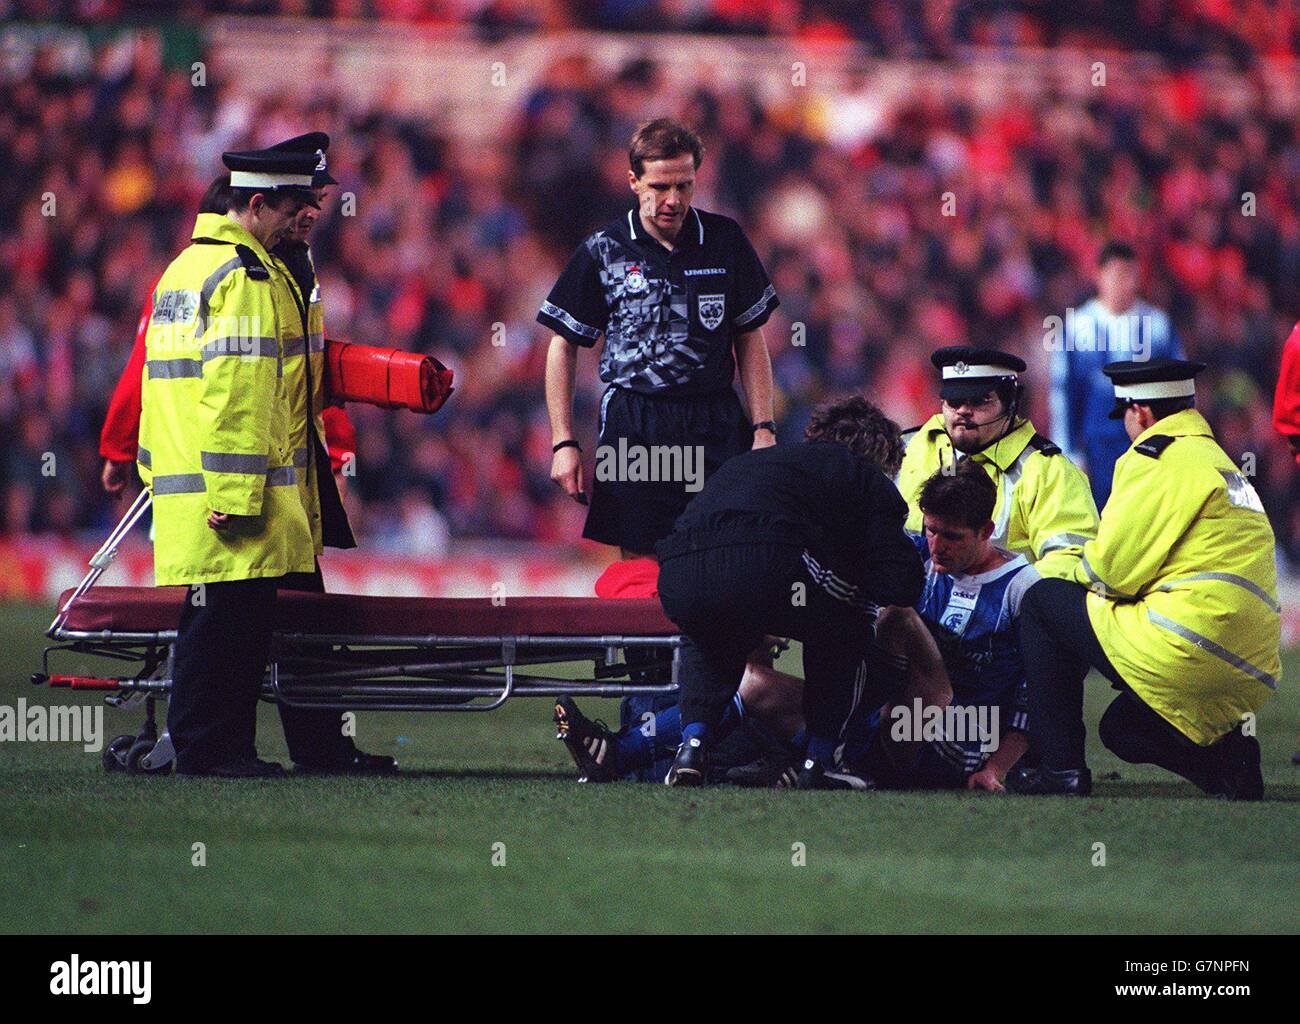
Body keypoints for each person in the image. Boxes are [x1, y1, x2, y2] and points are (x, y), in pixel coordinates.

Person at [1009, 359, 1280, 799]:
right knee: (1123, 729)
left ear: (1142, 412)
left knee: (1043, 602)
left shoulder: (1155, 458)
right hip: (1251, 665)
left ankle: (1058, 770)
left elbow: (1110, 572)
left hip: (1189, 642)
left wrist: (1073, 571)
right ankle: (1228, 765)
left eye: (1126, 417)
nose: (1127, 429)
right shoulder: (1219, 461)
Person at [139, 145, 320, 777]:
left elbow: (157, 382)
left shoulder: (184, 270)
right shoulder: (245, 276)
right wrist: (239, 496)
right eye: (294, 207)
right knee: (231, 630)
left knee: (209, 621)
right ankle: (214, 750)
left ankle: (201, 744)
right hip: (228, 492)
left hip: (187, 481)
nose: (304, 220)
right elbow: (237, 396)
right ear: (255, 204)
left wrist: (150, 468)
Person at [653, 395, 925, 789]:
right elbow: (902, 580)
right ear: (879, 454)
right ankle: (820, 760)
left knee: (709, 636)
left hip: (680, 573)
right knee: (855, 609)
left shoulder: (753, 463)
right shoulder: (860, 473)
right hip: (766, 560)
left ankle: (693, 745)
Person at [540, 117, 779, 560]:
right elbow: (562, 344)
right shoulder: (603, 249)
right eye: (659, 186)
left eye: (684, 186)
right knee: (641, 560)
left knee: (723, 550)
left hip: (714, 420)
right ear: (633, 181)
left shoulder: (725, 241)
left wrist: (763, 427)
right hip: (635, 421)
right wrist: (564, 442)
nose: (672, 200)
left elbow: (750, 336)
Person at [896, 346, 1098, 579]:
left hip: (1000, 613)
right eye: (953, 401)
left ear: (1010, 404)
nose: (963, 411)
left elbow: (1071, 558)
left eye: (979, 401)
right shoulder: (907, 448)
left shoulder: (1049, 471)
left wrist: (1006, 594)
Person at [1049, 241, 1182, 508]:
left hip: (1147, 441)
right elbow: (1063, 393)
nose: (1126, 283)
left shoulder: (1157, 324)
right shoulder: (1078, 326)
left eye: (1131, 274)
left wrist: (1177, 444)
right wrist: (1068, 453)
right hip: (1095, 444)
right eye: (1118, 274)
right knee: (1099, 519)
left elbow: (1180, 388)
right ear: (1099, 276)